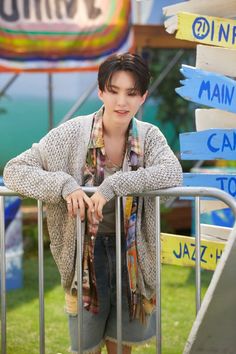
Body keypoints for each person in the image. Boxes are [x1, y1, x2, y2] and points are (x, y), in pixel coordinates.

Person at [3, 53, 183, 354]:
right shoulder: (72, 133)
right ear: (100, 91)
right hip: (84, 253)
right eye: (113, 91)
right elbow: (14, 170)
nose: (121, 102)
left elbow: (172, 172)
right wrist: (63, 185)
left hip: (133, 256)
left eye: (131, 93)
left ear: (143, 97)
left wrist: (115, 184)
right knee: (86, 346)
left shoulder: (150, 137)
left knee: (122, 345)